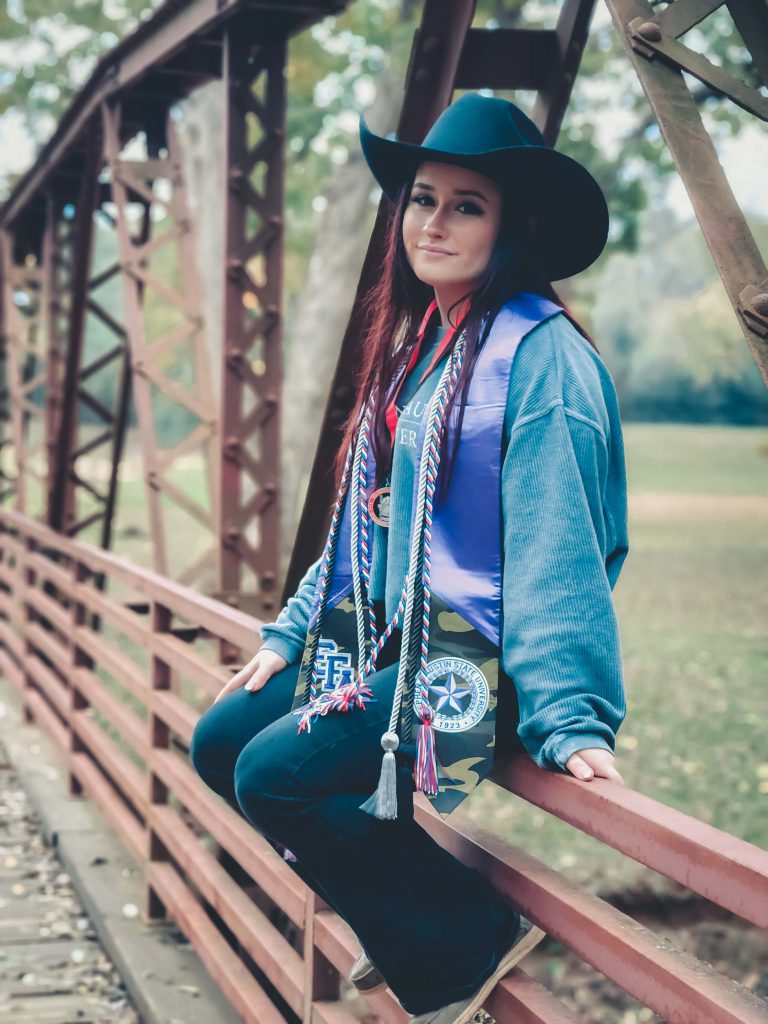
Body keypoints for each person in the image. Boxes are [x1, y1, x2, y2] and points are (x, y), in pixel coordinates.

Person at [191, 91, 628, 1024]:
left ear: (516, 225)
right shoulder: (423, 344)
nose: (432, 222)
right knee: (221, 740)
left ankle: (461, 937)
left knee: (276, 775)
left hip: (474, 659)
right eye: (421, 198)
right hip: (393, 641)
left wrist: (572, 719)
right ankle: (406, 921)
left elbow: (561, 552)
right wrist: (293, 629)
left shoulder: (540, 359)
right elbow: (363, 523)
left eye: (466, 204)